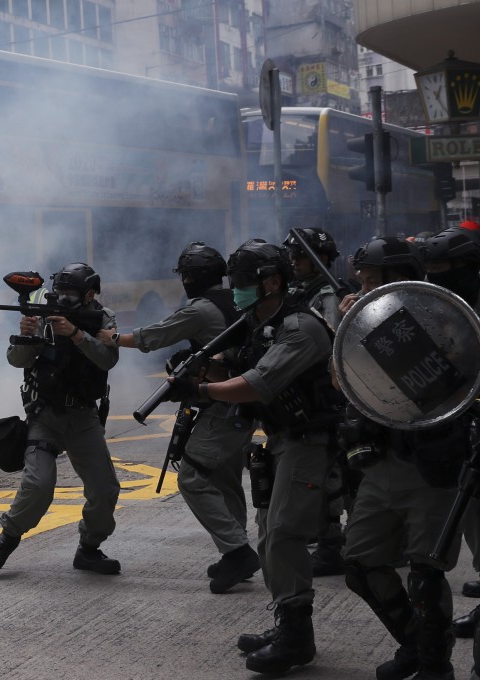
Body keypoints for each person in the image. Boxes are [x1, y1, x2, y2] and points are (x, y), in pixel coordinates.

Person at [170, 240, 337, 675]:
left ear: (273, 283)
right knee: (268, 532)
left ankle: (297, 638)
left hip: (311, 441)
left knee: (283, 532)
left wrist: (201, 390)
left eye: (244, 284)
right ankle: (289, 619)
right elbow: (239, 363)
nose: (238, 291)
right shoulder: (260, 322)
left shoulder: (301, 327)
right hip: (282, 438)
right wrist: (202, 366)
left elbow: (258, 382)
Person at [97, 242, 259, 594]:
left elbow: (155, 335)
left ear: (190, 277)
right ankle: (234, 552)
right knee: (225, 478)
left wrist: (111, 337)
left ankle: (237, 551)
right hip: (245, 403)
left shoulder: (201, 310)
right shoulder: (238, 300)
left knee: (193, 477)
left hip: (221, 403)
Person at [338, 236, 464, 680]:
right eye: (363, 283)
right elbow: (346, 385)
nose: (366, 290)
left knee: (426, 572)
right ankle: (414, 642)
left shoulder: (444, 317)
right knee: (360, 563)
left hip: (432, 465)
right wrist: (350, 330)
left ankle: (435, 664)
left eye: (375, 282)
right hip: (382, 459)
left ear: (398, 278)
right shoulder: (365, 320)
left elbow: (442, 386)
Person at [0, 262, 122, 577]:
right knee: (38, 484)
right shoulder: (43, 313)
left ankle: (89, 548)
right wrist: (25, 336)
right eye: (61, 293)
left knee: (104, 488)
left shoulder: (103, 317)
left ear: (89, 295)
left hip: (84, 417)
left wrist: (75, 334)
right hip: (45, 415)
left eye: (73, 294)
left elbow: (107, 358)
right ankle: (7, 539)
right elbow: (17, 361)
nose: (65, 299)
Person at [418, 229, 480, 652]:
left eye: (443, 272)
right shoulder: (427, 301)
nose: (435, 280)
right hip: (467, 419)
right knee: (478, 511)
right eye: (429, 272)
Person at [283, 227, 346, 578]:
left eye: (302, 255)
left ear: (322, 259)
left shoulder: (328, 293)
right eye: (293, 256)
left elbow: (333, 340)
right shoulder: (296, 290)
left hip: (328, 393)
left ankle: (332, 544)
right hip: (300, 391)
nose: (295, 262)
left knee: (331, 472)